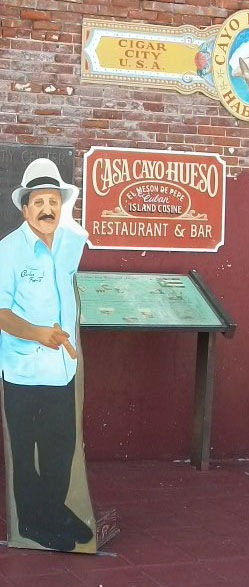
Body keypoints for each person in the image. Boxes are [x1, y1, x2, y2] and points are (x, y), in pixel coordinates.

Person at [0, 158, 93, 552]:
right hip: (22, 370)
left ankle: (53, 512)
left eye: (53, 201)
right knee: (26, 454)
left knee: (60, 450)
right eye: (38, 202)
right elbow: (1, 313)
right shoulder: (8, 250)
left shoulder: (69, 242)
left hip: (62, 369)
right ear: (25, 209)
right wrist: (39, 333)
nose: (46, 209)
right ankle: (32, 524)